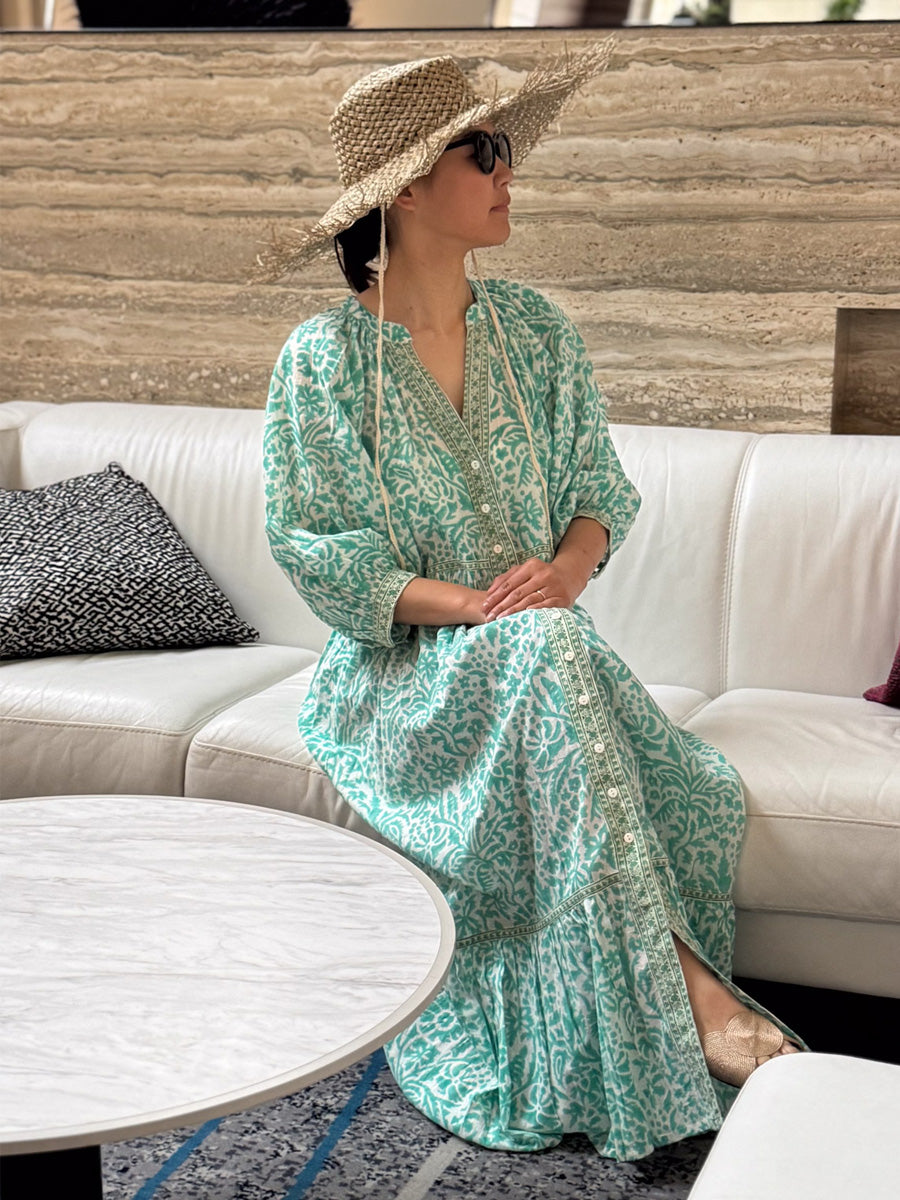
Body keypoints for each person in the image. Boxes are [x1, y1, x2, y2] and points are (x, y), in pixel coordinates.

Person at [258, 41, 802, 1162]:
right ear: (409, 190)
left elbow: (599, 493)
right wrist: (478, 607)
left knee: (574, 673)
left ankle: (673, 1004)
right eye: (486, 152)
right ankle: (696, 1001)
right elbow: (320, 554)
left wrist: (565, 575)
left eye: (504, 149)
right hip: (403, 681)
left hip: (542, 652)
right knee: (550, 652)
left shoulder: (538, 335)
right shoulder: (323, 363)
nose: (511, 172)